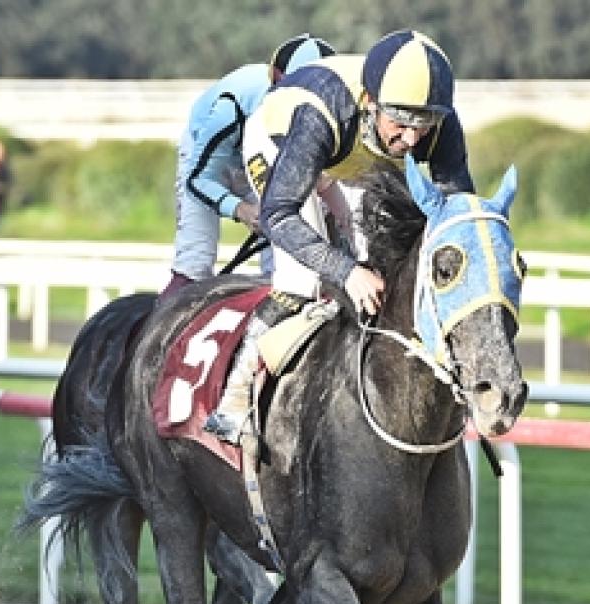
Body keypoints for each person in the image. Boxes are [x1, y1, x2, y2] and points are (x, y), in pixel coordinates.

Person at [205, 28, 474, 442]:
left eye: (424, 125)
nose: (412, 139)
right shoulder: (321, 114)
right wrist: (346, 270)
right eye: (401, 123)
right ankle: (234, 396)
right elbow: (278, 215)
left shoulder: (438, 121)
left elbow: (457, 214)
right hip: (283, 141)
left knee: (385, 265)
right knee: (304, 279)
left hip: (351, 152)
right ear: (371, 102)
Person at [159, 33, 337, 301]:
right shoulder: (231, 106)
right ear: (277, 78)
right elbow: (199, 179)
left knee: (283, 268)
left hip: (266, 156)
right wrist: (240, 209)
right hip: (210, 161)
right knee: (194, 265)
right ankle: (163, 318)